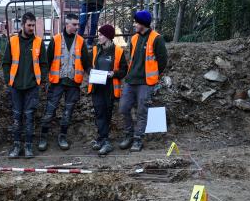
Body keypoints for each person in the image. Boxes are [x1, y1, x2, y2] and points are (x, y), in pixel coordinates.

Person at [39, 13, 91, 151]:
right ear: (66, 24)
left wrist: (93, 75)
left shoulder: (80, 41)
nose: (76, 27)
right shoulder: (55, 40)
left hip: (73, 83)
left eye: (77, 24)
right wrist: (43, 80)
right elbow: (47, 61)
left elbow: (86, 63)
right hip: (57, 83)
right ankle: (43, 136)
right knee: (50, 111)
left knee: (68, 112)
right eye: (74, 24)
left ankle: (62, 136)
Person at [118, 10, 167, 152]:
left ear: (142, 24)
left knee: (141, 111)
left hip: (146, 82)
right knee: (123, 108)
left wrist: (153, 76)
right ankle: (129, 135)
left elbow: (162, 61)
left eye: (136, 22)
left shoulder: (157, 38)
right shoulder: (134, 39)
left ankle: (138, 139)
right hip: (130, 80)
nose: (134, 24)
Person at [1, 12, 48, 158]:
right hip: (16, 87)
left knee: (29, 117)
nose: (32, 28)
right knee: (16, 117)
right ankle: (16, 146)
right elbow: (6, 63)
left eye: (33, 25)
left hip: (32, 87)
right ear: (22, 25)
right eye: (29, 25)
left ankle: (28, 146)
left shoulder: (39, 42)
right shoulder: (13, 41)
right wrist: (10, 81)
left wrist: (39, 80)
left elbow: (44, 64)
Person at [87, 24, 127, 155]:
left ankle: (103, 140)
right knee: (99, 113)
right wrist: (91, 72)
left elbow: (124, 70)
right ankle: (103, 140)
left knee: (106, 114)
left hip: (109, 89)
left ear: (108, 37)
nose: (99, 37)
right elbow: (87, 65)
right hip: (97, 87)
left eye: (101, 35)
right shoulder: (94, 50)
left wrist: (113, 74)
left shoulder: (118, 51)